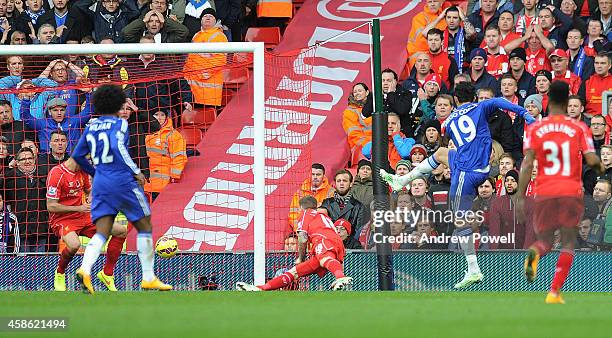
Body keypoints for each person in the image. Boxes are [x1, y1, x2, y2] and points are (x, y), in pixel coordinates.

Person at [381, 82, 536, 289]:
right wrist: (524, 113)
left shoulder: (450, 121)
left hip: (466, 172)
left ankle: (473, 269)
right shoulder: (481, 106)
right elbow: (499, 101)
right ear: (474, 97)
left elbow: (460, 138)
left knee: (459, 220)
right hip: (480, 167)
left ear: (455, 101)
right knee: (440, 154)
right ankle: (402, 180)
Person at [71, 84, 172, 293]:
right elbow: (120, 150)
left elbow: (78, 156)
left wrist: (94, 172)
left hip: (101, 182)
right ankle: (148, 277)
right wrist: (136, 170)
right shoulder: (121, 125)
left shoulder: (90, 126)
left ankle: (85, 268)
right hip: (121, 180)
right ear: (118, 104)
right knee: (144, 224)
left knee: (103, 229)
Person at [517, 80, 605, 304]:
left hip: (544, 190)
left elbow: (527, 164)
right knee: (567, 242)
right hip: (570, 190)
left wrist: (519, 196)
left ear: (548, 100)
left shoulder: (535, 128)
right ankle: (554, 292)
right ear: (567, 101)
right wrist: (601, 167)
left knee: (545, 240)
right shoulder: (578, 127)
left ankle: (535, 252)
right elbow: (591, 158)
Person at [236, 196, 353, 291]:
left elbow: (302, 238)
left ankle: (341, 278)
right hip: (336, 243)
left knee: (324, 259)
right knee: (294, 272)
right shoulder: (323, 216)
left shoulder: (305, 214)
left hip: (323, 241)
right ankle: (261, 288)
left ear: (301, 208)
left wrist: (301, 258)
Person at [47, 157, 127, 292]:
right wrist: (78, 208)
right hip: (63, 219)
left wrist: (91, 198)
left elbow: (89, 191)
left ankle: (107, 274)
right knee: (74, 245)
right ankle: (60, 272)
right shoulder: (57, 174)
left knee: (121, 230)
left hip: (84, 215)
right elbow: (51, 206)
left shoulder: (83, 171)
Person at [183, 8, 228, 108]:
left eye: (211, 16)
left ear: (216, 21)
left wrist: (202, 74)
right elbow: (190, 58)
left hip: (208, 92)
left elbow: (219, 60)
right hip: (192, 89)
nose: (207, 17)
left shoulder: (219, 36)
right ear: (201, 20)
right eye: (204, 16)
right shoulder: (196, 35)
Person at [144, 109, 187, 200]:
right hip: (141, 183)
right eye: (156, 114)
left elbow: (179, 157)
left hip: (161, 185)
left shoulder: (173, 135)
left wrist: (174, 177)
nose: (159, 118)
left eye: (162, 115)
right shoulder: (142, 132)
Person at [319, 169, 365, 238]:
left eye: (345, 181)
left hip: (350, 246)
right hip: (330, 243)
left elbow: (358, 232)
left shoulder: (359, 206)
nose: (341, 183)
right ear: (335, 184)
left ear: (351, 184)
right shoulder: (326, 203)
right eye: (339, 181)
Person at [288, 163, 334, 230]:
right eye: (313, 174)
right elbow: (293, 214)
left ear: (323, 176)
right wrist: (299, 230)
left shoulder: (331, 192)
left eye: (318, 174)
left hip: (321, 230)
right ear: (310, 175)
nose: (315, 177)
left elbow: (332, 216)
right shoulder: (300, 192)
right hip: (301, 231)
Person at [578, 52, 611, 117]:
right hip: (590, 121)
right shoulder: (587, 81)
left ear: (609, 66)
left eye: (603, 63)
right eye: (596, 63)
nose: (599, 66)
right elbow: (579, 104)